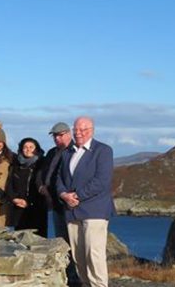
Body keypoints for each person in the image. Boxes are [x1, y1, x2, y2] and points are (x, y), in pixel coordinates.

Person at [57, 117, 115, 287]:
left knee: (94, 255)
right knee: (79, 257)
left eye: (83, 130)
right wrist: (63, 195)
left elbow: (102, 181)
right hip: (72, 211)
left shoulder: (103, 150)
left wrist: (76, 195)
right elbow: (59, 178)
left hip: (94, 211)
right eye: (76, 130)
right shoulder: (68, 152)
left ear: (92, 130)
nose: (79, 133)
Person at [39, 121, 80, 284]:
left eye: (61, 135)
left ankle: (76, 277)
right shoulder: (51, 153)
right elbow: (42, 173)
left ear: (69, 134)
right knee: (61, 242)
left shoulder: (74, 151)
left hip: (70, 205)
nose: (57, 138)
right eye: (55, 136)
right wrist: (41, 186)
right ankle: (67, 276)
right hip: (55, 205)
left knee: (74, 243)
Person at [7, 137, 48, 236]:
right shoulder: (16, 165)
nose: (28, 149)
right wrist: (14, 199)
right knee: (20, 242)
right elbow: (9, 185)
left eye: (31, 147)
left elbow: (43, 187)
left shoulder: (42, 164)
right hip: (19, 208)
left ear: (36, 149)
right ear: (21, 149)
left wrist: (29, 202)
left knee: (38, 242)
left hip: (37, 209)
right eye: (25, 147)